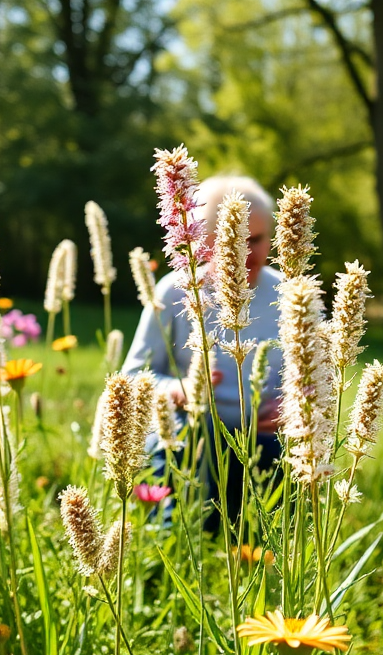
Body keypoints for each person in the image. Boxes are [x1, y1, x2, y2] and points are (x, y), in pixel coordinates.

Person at [121, 175, 284, 529]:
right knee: (187, 436)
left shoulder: (290, 296)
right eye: (233, 243)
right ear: (204, 242)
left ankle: (261, 551)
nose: (247, 254)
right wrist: (179, 391)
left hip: (262, 439)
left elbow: (318, 382)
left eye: (257, 240)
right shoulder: (174, 291)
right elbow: (132, 378)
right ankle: (173, 541)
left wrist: (295, 408)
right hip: (191, 432)